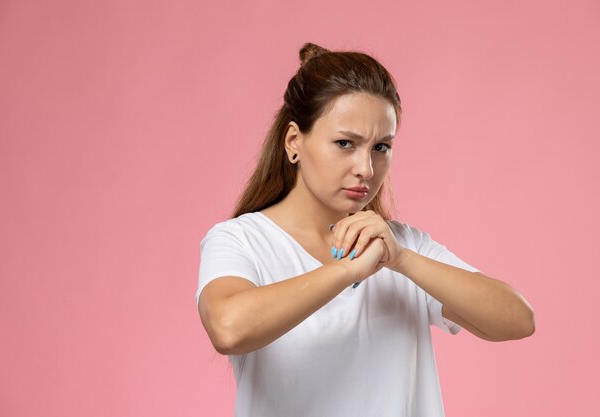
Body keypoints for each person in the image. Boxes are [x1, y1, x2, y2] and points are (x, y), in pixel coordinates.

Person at [195, 42, 535, 417]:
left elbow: (518, 320)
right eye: (345, 143)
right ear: (294, 142)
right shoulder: (242, 240)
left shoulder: (400, 245)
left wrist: (402, 260)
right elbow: (228, 328)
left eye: (381, 147)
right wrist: (348, 270)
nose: (366, 169)